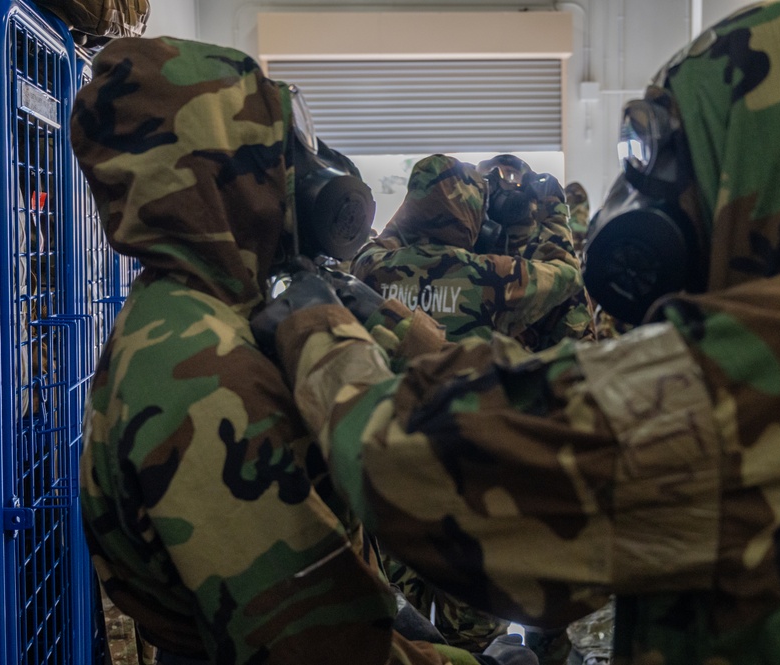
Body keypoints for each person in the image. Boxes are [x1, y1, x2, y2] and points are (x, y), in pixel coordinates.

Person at [251, 0, 780, 663]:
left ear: (753, 153)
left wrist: (315, 328)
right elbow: (557, 397)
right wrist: (403, 330)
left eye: (677, 159)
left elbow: (416, 471)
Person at [71, 35, 536, 665]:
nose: (302, 175)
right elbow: (323, 648)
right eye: (276, 151)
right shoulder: (202, 371)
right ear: (222, 174)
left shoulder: (207, 310)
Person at [349, 154, 593, 350]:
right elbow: (568, 275)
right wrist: (555, 211)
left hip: (399, 398)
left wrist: (419, 206)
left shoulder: (372, 264)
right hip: (467, 401)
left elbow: (389, 237)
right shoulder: (493, 275)